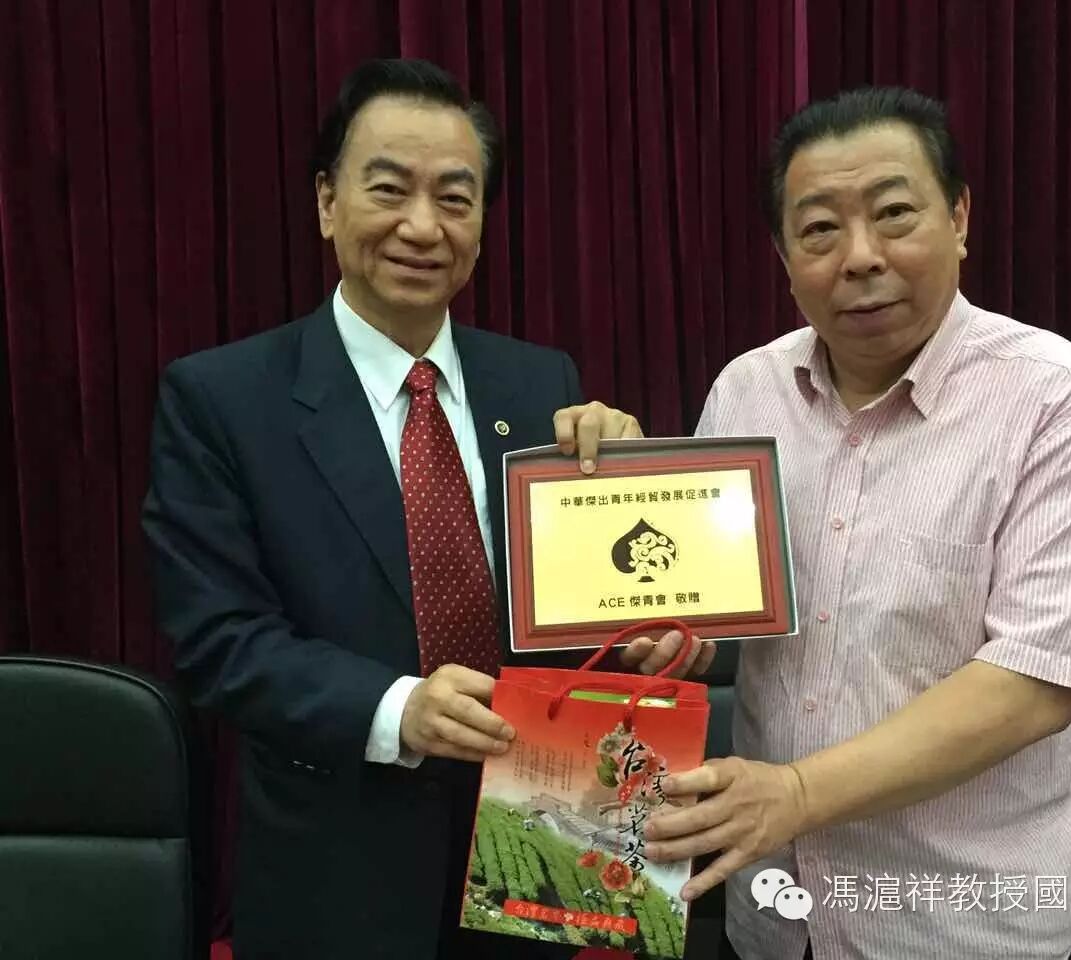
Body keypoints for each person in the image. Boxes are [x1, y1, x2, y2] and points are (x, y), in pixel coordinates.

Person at [141, 59, 709, 960]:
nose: (421, 225)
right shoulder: (223, 398)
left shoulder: (542, 383)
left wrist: (650, 620)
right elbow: (218, 640)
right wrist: (397, 708)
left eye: (454, 197)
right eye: (388, 189)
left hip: (541, 853)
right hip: (338, 871)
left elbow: (582, 613)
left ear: (481, 224)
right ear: (327, 202)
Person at [644, 86, 1071, 960]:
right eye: (819, 230)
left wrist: (797, 795)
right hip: (775, 917)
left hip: (961, 924)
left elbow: (1032, 685)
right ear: (783, 256)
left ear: (959, 218)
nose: (861, 257)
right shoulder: (746, 392)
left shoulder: (1066, 404)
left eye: (894, 214)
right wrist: (680, 639)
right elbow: (728, 614)